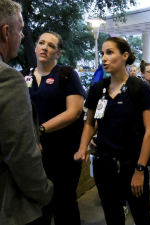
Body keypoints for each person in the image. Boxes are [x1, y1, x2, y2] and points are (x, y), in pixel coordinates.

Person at [74, 37, 150, 225]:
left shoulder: (139, 88)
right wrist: (82, 147)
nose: (104, 58)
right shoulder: (98, 88)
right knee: (112, 217)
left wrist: (140, 169)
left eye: (110, 52)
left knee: (142, 216)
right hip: (104, 166)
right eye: (102, 53)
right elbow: (89, 123)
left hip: (132, 164)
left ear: (124, 56)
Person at [23, 31, 86, 225]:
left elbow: (74, 112)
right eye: (41, 43)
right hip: (34, 153)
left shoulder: (67, 75)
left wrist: (39, 130)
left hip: (64, 152)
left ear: (58, 53)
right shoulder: (23, 77)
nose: (45, 47)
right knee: (38, 206)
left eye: (51, 46)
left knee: (64, 203)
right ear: (35, 48)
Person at [0, 1, 53, 224]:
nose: (22, 37)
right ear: (5, 32)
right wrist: (44, 191)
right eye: (20, 30)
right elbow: (20, 152)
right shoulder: (9, 77)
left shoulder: (69, 76)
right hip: (10, 206)